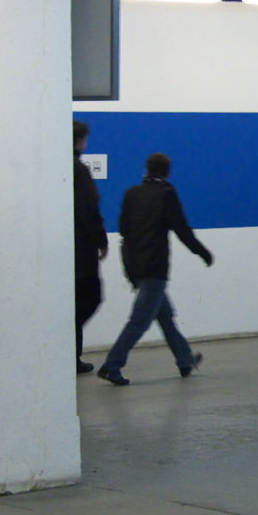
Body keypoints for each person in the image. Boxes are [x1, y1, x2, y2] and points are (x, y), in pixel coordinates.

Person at [95, 153, 213, 386]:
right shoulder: (166, 195)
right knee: (139, 320)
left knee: (165, 315)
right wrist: (202, 252)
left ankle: (185, 359)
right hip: (155, 266)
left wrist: (129, 264)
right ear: (167, 171)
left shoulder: (132, 194)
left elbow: (124, 230)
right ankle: (112, 365)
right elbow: (182, 229)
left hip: (133, 263)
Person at [73, 121, 108, 374]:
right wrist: (101, 240)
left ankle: (71, 355)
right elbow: (89, 210)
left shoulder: (53, 167)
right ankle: (67, 349)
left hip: (63, 249)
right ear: (79, 141)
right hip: (81, 250)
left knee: (73, 303)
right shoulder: (78, 171)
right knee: (90, 298)